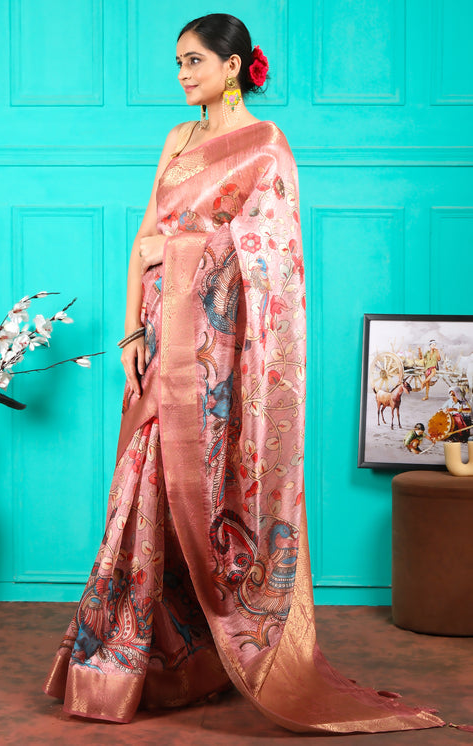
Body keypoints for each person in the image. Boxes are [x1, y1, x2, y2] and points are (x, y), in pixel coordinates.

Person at [43, 14, 444, 734]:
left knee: (206, 487)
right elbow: (143, 241)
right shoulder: (177, 139)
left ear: (233, 67)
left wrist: (188, 247)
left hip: (215, 350)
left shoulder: (266, 147)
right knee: (142, 483)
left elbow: (274, 254)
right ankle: (141, 653)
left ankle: (205, 652)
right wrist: (132, 328)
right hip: (160, 338)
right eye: (176, 63)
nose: (180, 75)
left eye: (192, 61)